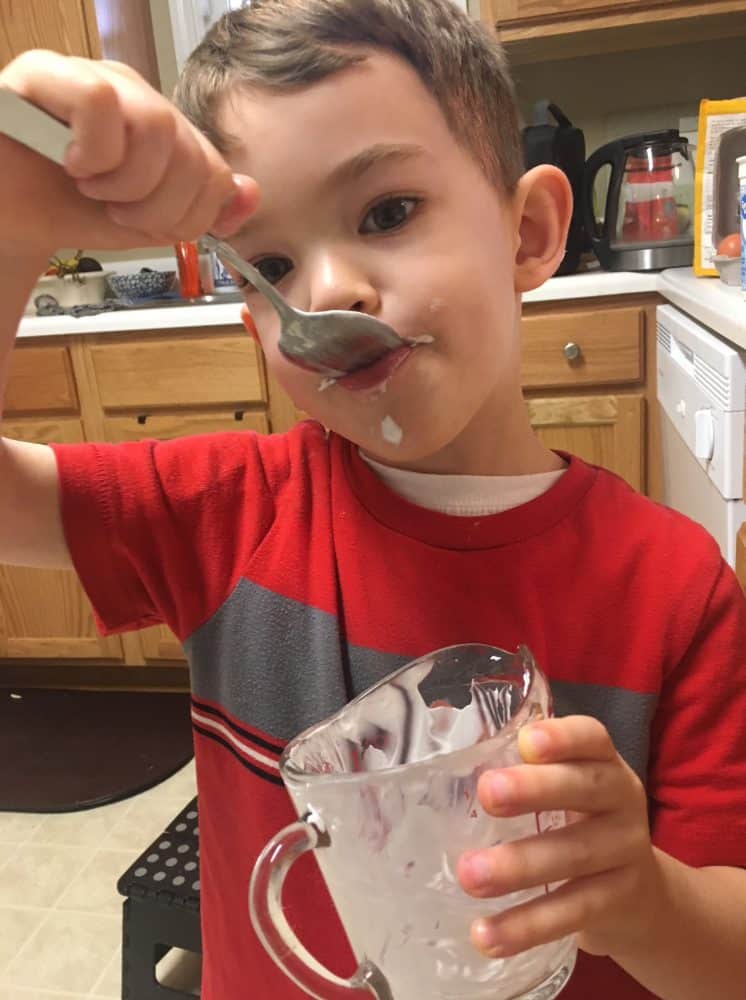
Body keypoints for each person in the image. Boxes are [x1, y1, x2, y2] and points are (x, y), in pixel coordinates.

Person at [0, 2, 744, 998]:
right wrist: (10, 224)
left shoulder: (674, 589)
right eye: (270, 266)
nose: (329, 288)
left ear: (526, 233)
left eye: (385, 212)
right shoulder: (229, 512)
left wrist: (641, 897)